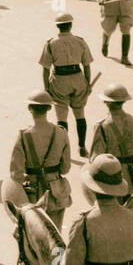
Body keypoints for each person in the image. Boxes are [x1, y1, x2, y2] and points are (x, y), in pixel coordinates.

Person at [9, 88, 73, 265]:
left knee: (32, 246)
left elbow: (15, 173)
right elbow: (65, 168)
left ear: (30, 109)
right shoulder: (61, 133)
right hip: (55, 192)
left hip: (33, 196)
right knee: (55, 242)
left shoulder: (23, 135)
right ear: (48, 109)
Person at [88, 84, 133, 216]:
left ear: (105, 102)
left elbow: (96, 159)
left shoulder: (102, 126)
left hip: (110, 178)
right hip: (132, 178)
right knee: (132, 221)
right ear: (124, 101)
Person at [39, 12, 94, 157]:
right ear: (71, 25)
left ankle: (63, 150)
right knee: (80, 114)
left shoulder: (51, 43)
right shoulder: (80, 41)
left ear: (58, 27)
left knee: (61, 118)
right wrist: (88, 83)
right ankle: (82, 147)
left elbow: (45, 69)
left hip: (60, 80)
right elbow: (87, 65)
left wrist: (46, 88)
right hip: (78, 78)